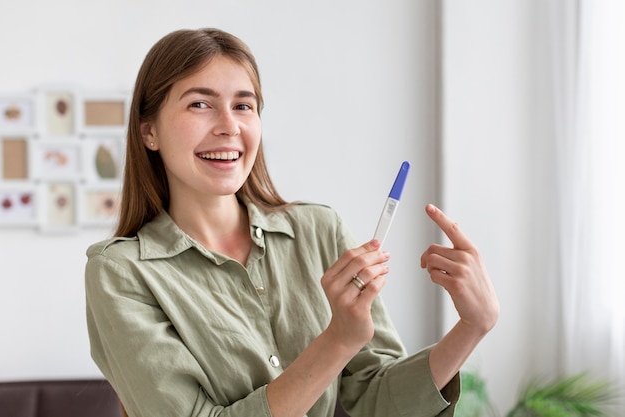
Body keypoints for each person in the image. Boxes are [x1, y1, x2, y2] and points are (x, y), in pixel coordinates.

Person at [85, 28, 499, 417]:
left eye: (243, 106)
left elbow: (379, 400)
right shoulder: (121, 272)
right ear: (148, 131)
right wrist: (337, 340)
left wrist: (471, 327)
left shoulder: (319, 230)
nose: (229, 126)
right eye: (200, 104)